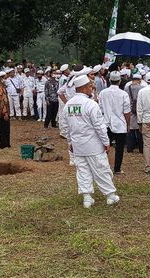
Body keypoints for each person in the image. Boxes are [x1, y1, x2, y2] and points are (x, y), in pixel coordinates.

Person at [59, 74, 120, 209]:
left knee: (82, 171)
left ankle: (87, 198)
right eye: (90, 86)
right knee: (101, 169)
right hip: (94, 145)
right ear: (84, 88)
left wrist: (70, 142)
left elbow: (64, 126)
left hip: (77, 145)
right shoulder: (90, 104)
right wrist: (106, 142)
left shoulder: (68, 104)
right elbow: (99, 126)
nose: (92, 88)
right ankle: (110, 195)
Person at [98, 71, 131, 174]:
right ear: (119, 81)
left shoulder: (103, 93)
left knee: (104, 147)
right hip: (120, 124)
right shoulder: (123, 94)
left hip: (106, 123)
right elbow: (126, 111)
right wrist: (128, 123)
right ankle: (117, 169)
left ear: (109, 80)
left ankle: (101, 168)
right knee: (119, 147)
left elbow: (100, 108)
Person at [0, 71, 11, 148]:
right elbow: (0, 102)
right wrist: (5, 112)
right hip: (2, 112)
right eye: (5, 78)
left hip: (5, 110)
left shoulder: (3, 87)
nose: (6, 79)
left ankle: (7, 143)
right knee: (3, 127)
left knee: (6, 127)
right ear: (1, 78)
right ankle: (3, 144)